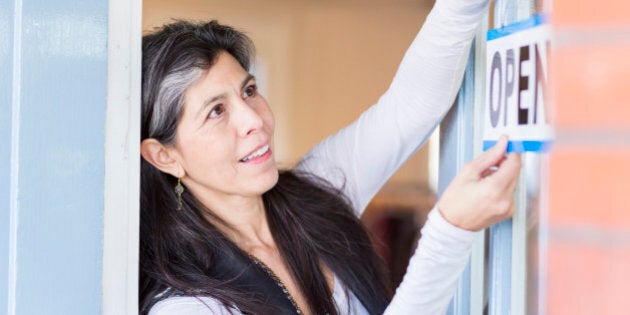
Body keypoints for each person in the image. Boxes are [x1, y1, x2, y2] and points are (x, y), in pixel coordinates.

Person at [139, 0, 522, 313]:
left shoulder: (313, 193)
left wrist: (461, 7)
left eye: (250, 91)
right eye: (216, 111)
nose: (254, 119)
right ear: (164, 156)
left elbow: (408, 109)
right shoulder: (187, 305)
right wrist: (450, 231)